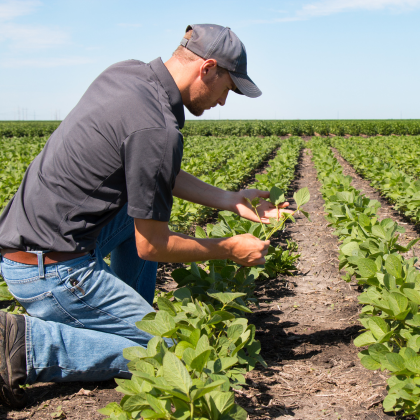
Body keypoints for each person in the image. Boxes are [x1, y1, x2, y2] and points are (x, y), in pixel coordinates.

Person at [0, 24, 290, 408]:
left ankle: (124, 313)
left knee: (134, 209)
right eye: (229, 87)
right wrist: (230, 249)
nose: (224, 100)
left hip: (31, 244)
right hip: (51, 270)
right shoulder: (157, 127)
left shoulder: (129, 74)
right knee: (169, 353)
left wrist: (229, 199)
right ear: (207, 69)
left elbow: (152, 169)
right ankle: (29, 343)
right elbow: (152, 245)